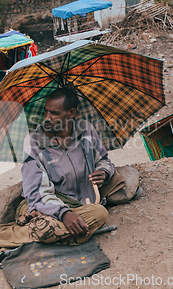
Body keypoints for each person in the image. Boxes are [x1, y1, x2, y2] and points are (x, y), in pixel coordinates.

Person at [20, 88, 141, 243]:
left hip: (89, 203)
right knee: (98, 214)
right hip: (54, 205)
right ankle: (25, 235)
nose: (47, 118)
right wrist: (64, 213)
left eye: (54, 113)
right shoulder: (33, 143)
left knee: (102, 206)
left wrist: (103, 172)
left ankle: (65, 232)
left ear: (71, 113)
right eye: (46, 112)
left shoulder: (86, 130)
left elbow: (103, 159)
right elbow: (36, 194)